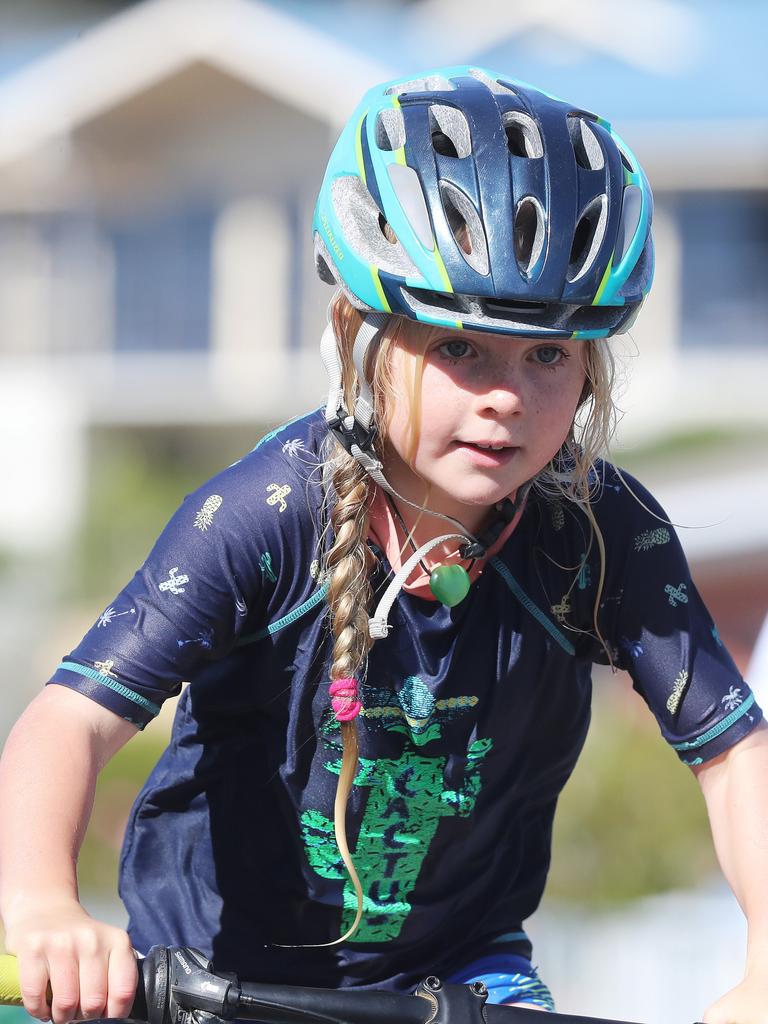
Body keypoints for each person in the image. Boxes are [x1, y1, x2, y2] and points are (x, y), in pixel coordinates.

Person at [0, 65, 765, 1024]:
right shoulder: (269, 513)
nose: (507, 395)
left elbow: (736, 757)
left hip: (467, 985)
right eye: (459, 348)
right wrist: (39, 907)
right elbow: (67, 722)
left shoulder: (601, 534)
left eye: (548, 356)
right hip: (208, 980)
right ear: (364, 336)